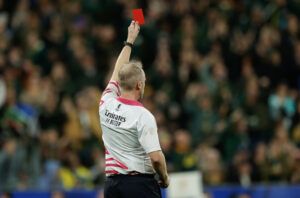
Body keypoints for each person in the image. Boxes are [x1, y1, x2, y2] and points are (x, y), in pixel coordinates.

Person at [99, 21, 169, 198]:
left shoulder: (105, 102)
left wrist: (129, 41)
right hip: (139, 186)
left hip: (112, 186)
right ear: (139, 85)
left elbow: (117, 71)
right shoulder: (143, 116)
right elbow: (155, 157)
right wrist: (164, 178)